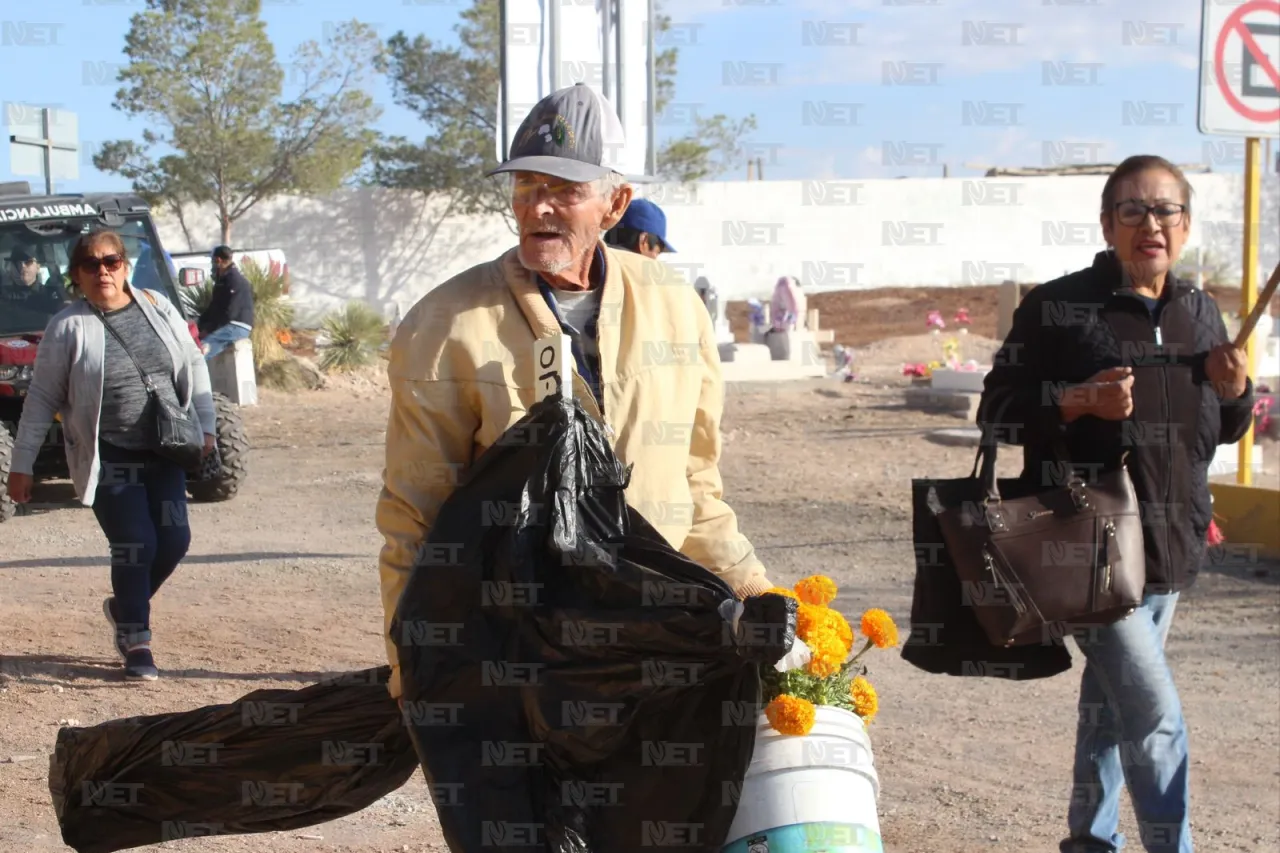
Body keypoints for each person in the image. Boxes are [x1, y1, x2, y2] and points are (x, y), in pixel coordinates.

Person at [376, 83, 773, 703]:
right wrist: (415, 667)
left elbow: (695, 485)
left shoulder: (674, 307)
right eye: (527, 188)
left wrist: (756, 592)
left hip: (656, 642)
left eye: (565, 190)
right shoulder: (446, 324)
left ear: (616, 204)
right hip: (522, 653)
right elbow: (415, 516)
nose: (539, 209)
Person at [977, 154, 1254, 853]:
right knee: (1155, 715)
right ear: (1107, 224)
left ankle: (1089, 841)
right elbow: (997, 412)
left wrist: (1237, 392)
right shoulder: (1059, 308)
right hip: (1087, 550)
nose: (1150, 223)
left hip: (1172, 548)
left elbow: (1216, 430)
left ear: (1185, 226)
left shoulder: (1199, 311)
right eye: (1133, 209)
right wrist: (1076, 401)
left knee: (1109, 709)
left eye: (1165, 210)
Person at [6, 230, 217, 682]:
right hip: (109, 454)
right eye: (91, 265)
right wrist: (21, 465)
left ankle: (123, 605)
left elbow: (194, 364)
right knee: (135, 544)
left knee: (175, 542)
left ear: (123, 264)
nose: (103, 271)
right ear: (77, 276)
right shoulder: (68, 326)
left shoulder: (157, 306)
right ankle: (136, 639)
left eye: (112, 261)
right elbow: (42, 398)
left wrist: (207, 424)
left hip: (165, 448)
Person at [197, 245, 255, 360]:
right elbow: (214, 307)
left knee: (199, 353)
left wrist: (208, 330)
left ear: (218, 260)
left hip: (236, 326)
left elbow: (230, 313)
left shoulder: (233, 280)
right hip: (228, 324)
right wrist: (198, 323)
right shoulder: (222, 281)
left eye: (213, 261)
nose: (212, 265)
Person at [603, 197, 675, 259]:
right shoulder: (636, 273)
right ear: (645, 241)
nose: (656, 259)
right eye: (657, 252)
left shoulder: (595, 260)